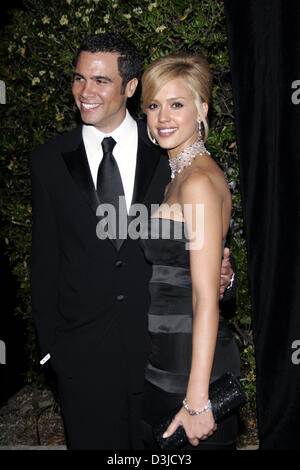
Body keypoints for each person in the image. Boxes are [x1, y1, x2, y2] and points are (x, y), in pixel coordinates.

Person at [30, 33, 235, 450]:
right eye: (78, 78)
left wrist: (224, 280)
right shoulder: (48, 160)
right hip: (83, 361)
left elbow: (201, 257)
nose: (86, 91)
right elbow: (44, 260)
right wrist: (52, 352)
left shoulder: (166, 151)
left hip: (163, 353)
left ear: (129, 87)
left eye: (101, 80)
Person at [140, 53, 241, 450]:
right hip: (166, 360)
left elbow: (204, 297)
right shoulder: (178, 177)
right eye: (153, 105)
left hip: (190, 370)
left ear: (202, 108)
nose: (163, 116)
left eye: (176, 104)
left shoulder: (197, 181)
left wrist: (198, 401)